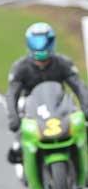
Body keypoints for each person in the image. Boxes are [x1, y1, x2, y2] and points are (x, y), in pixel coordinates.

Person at [6, 22, 88, 163]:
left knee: (82, 126)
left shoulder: (63, 63)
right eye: (36, 42)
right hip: (32, 109)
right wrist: (13, 118)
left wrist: (86, 107)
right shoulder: (20, 67)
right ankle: (18, 146)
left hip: (59, 107)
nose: (40, 46)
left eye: (43, 41)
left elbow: (79, 86)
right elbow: (12, 94)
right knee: (20, 122)